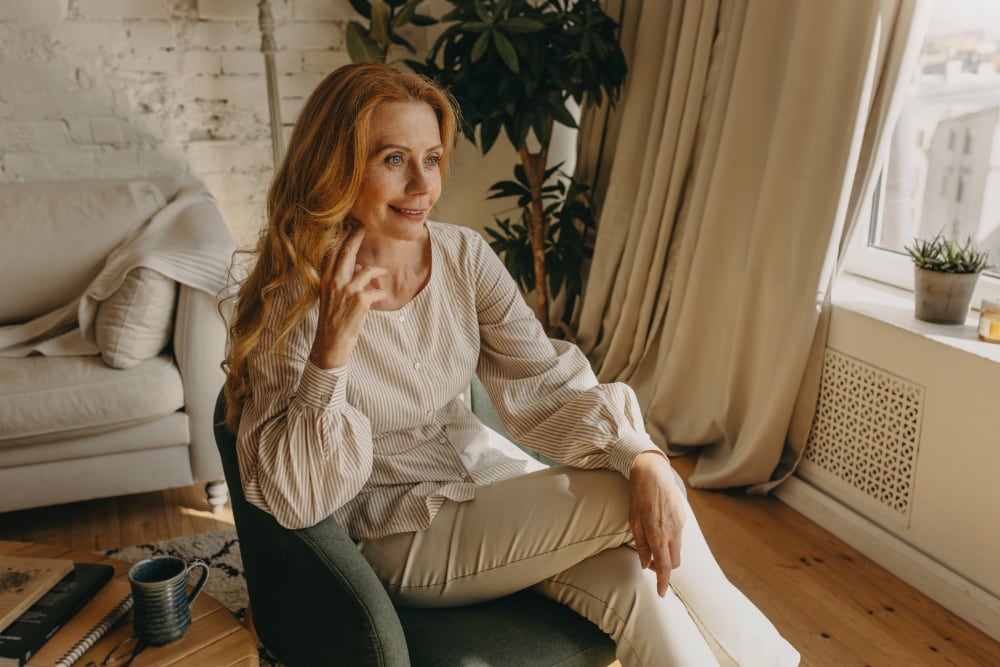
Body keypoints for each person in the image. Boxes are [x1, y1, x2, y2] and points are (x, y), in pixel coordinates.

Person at [222, 62, 799, 667]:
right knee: (626, 489)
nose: (422, 185)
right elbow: (296, 498)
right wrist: (331, 355)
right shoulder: (296, 297)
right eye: (393, 159)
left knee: (641, 585)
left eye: (433, 158)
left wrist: (644, 453)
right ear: (338, 168)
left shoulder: (464, 256)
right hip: (399, 532)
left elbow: (544, 381)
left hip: (496, 489)